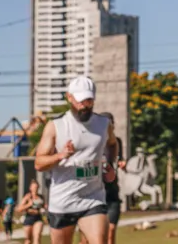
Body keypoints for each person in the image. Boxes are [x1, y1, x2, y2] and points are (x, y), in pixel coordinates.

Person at [35, 76, 119, 244]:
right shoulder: (56, 125)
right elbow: (39, 163)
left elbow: (112, 144)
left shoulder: (104, 124)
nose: (84, 105)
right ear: (69, 97)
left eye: (89, 100)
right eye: (80, 100)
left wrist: (110, 165)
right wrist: (60, 155)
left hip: (92, 198)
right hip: (63, 201)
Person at [79, 112, 126, 244]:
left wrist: (121, 163)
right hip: (92, 195)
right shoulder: (89, 142)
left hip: (111, 193)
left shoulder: (117, 142)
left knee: (110, 234)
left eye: (111, 125)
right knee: (86, 239)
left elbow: (117, 159)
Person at [16, 179, 46, 244]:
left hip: (38, 218)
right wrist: (28, 205)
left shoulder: (41, 197)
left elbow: (43, 208)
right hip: (28, 219)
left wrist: (43, 210)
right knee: (28, 240)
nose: (35, 189)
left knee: (37, 237)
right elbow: (19, 209)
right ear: (30, 188)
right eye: (34, 187)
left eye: (36, 187)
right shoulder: (27, 197)